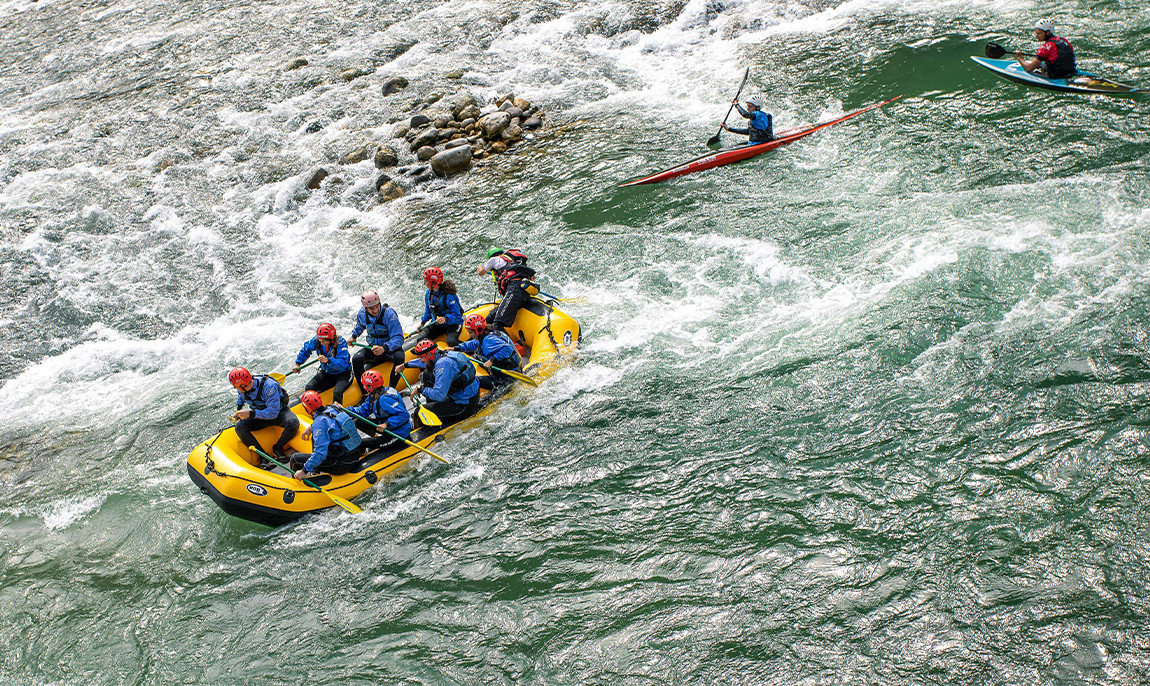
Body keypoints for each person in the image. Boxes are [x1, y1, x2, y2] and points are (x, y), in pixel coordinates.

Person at [229, 366, 299, 462]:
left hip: (278, 413)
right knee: (239, 427)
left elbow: (273, 413)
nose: (238, 390)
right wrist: (239, 410)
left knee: (293, 423)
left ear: (245, 385)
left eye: (239, 388)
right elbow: (241, 398)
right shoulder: (241, 387)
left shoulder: (269, 386)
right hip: (259, 413)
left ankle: (278, 448)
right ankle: (263, 456)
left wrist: (250, 414)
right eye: (236, 388)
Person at [289, 390, 364, 480]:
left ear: (307, 409)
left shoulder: (319, 423)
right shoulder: (334, 408)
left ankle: (299, 483)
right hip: (356, 454)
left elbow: (320, 453)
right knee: (317, 438)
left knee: (294, 459)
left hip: (343, 464)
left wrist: (303, 471)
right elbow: (329, 421)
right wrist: (311, 428)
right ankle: (315, 472)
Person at [403, 340, 480, 423]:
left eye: (421, 357)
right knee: (427, 375)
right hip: (466, 395)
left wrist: (420, 390)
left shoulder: (443, 364)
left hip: (464, 405)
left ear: (429, 354)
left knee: (418, 412)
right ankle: (433, 407)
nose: (421, 360)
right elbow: (424, 363)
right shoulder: (442, 354)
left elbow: (439, 396)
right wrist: (404, 365)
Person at [475, 247, 537, 341]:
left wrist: (480, 268)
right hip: (523, 292)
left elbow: (481, 272)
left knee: (497, 324)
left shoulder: (494, 259)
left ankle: (512, 349)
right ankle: (481, 343)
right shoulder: (513, 262)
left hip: (514, 290)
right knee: (490, 317)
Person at [347, 289, 405, 388]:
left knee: (399, 358)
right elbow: (360, 325)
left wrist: (384, 348)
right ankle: (365, 392)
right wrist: (354, 336)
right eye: (371, 308)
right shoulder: (362, 314)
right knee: (356, 359)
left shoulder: (389, 314)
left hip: (389, 348)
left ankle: (391, 388)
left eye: (377, 306)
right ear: (365, 308)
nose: (375, 310)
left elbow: (399, 337)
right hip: (373, 348)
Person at [344, 369, 413, 452]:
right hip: (389, 429)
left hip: (399, 435)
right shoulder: (374, 396)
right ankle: (377, 439)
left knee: (362, 443)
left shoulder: (384, 399)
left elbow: (404, 415)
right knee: (358, 421)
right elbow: (362, 411)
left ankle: (372, 446)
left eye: (364, 385)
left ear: (370, 386)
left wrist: (386, 424)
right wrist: (345, 410)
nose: (363, 387)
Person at [454, 314, 521, 390]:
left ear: (478, 330)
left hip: (508, 376)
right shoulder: (486, 335)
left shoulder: (488, 340)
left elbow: (507, 349)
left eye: (471, 332)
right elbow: (473, 344)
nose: (469, 335)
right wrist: (456, 348)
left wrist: (492, 360)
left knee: (475, 380)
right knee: (478, 358)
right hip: (509, 368)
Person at [294, 322, 352, 404]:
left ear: (331, 339)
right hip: (327, 373)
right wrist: (298, 363)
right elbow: (306, 350)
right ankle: (315, 411)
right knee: (309, 388)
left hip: (343, 374)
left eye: (324, 341)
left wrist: (328, 360)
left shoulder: (341, 343)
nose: (321, 343)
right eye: (320, 341)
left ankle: (337, 412)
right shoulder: (318, 340)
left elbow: (343, 364)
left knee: (337, 393)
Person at [416, 267, 464, 346]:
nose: (424, 283)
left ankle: (471, 350)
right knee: (420, 340)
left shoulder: (449, 296)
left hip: (453, 324)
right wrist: (422, 323)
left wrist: (446, 318)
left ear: (433, 282)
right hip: (438, 324)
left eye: (426, 281)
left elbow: (457, 316)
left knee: (452, 342)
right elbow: (428, 311)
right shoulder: (429, 294)